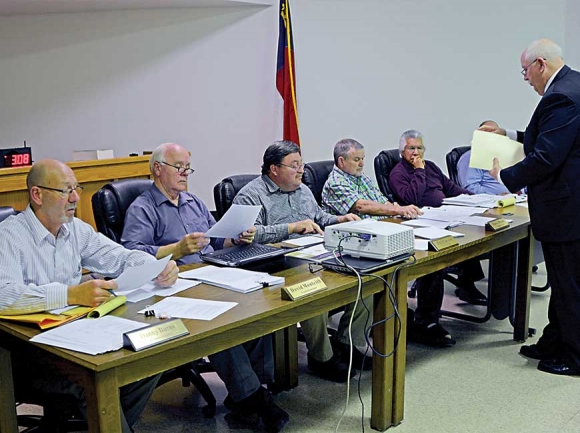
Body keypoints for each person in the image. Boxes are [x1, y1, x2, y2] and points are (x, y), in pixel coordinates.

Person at [0, 159, 179, 433]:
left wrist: (156, 266)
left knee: (148, 357)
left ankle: (107, 424)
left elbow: (118, 257)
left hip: (77, 333)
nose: (75, 198)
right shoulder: (9, 236)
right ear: (37, 195)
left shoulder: (75, 229)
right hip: (28, 350)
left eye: (77, 189)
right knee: (94, 381)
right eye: (65, 191)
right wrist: (70, 294)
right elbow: (3, 295)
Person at [122, 143, 289, 431]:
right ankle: (252, 399)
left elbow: (214, 240)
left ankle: (255, 389)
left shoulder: (193, 202)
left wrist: (235, 239)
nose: (186, 173)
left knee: (258, 304)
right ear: (158, 169)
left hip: (209, 274)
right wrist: (175, 249)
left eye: (188, 167)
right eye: (180, 167)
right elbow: (130, 256)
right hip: (172, 286)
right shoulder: (143, 208)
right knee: (220, 324)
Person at [232, 140, 368, 381]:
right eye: (294, 165)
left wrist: (340, 220)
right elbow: (246, 234)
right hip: (273, 265)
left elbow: (318, 217)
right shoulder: (251, 195)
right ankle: (321, 358)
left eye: (301, 164)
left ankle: (347, 343)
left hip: (311, 256)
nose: (301, 170)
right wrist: (291, 227)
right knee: (312, 291)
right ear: (274, 169)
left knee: (365, 278)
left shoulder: (302, 189)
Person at [485, 39, 580, 376]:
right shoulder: (574, 84)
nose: (525, 78)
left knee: (569, 286)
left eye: (525, 71)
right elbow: (549, 137)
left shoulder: (561, 96)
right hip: (570, 207)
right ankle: (555, 340)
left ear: (540, 64)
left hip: (566, 210)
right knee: (563, 282)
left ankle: (575, 355)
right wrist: (507, 133)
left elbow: (546, 156)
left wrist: (504, 177)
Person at [390, 131, 488, 307]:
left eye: (419, 148)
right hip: (421, 221)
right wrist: (419, 170)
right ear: (402, 151)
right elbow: (413, 197)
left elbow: (450, 188)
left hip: (443, 215)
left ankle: (467, 286)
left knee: (470, 234)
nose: (416, 152)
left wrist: (476, 199)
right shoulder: (398, 173)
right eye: (411, 148)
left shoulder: (431, 166)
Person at [321, 138, 422, 219]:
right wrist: (398, 210)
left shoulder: (361, 177)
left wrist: (397, 208)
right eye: (356, 160)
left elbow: (382, 201)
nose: (362, 163)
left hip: (382, 224)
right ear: (341, 161)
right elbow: (361, 206)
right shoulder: (335, 182)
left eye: (362, 159)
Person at [457, 120, 512, 195]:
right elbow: (471, 187)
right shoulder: (470, 157)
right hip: (494, 203)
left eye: (496, 133)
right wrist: (497, 196)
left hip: (521, 199)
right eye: (488, 133)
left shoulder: (505, 155)